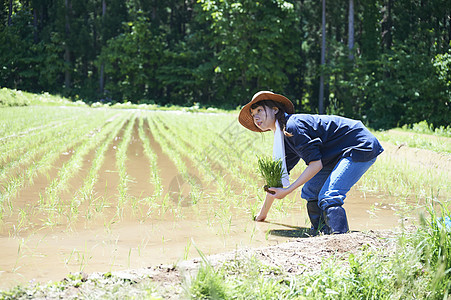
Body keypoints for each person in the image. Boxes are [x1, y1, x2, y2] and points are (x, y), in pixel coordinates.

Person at [238, 91, 384, 234]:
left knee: (329, 195)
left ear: (275, 110)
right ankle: (321, 233)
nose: (256, 117)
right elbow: (276, 182)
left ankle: (340, 238)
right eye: (253, 114)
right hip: (335, 154)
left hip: (359, 145)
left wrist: (287, 191)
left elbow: (316, 164)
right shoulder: (284, 138)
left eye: (259, 110)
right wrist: (262, 215)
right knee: (310, 191)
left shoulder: (293, 127)